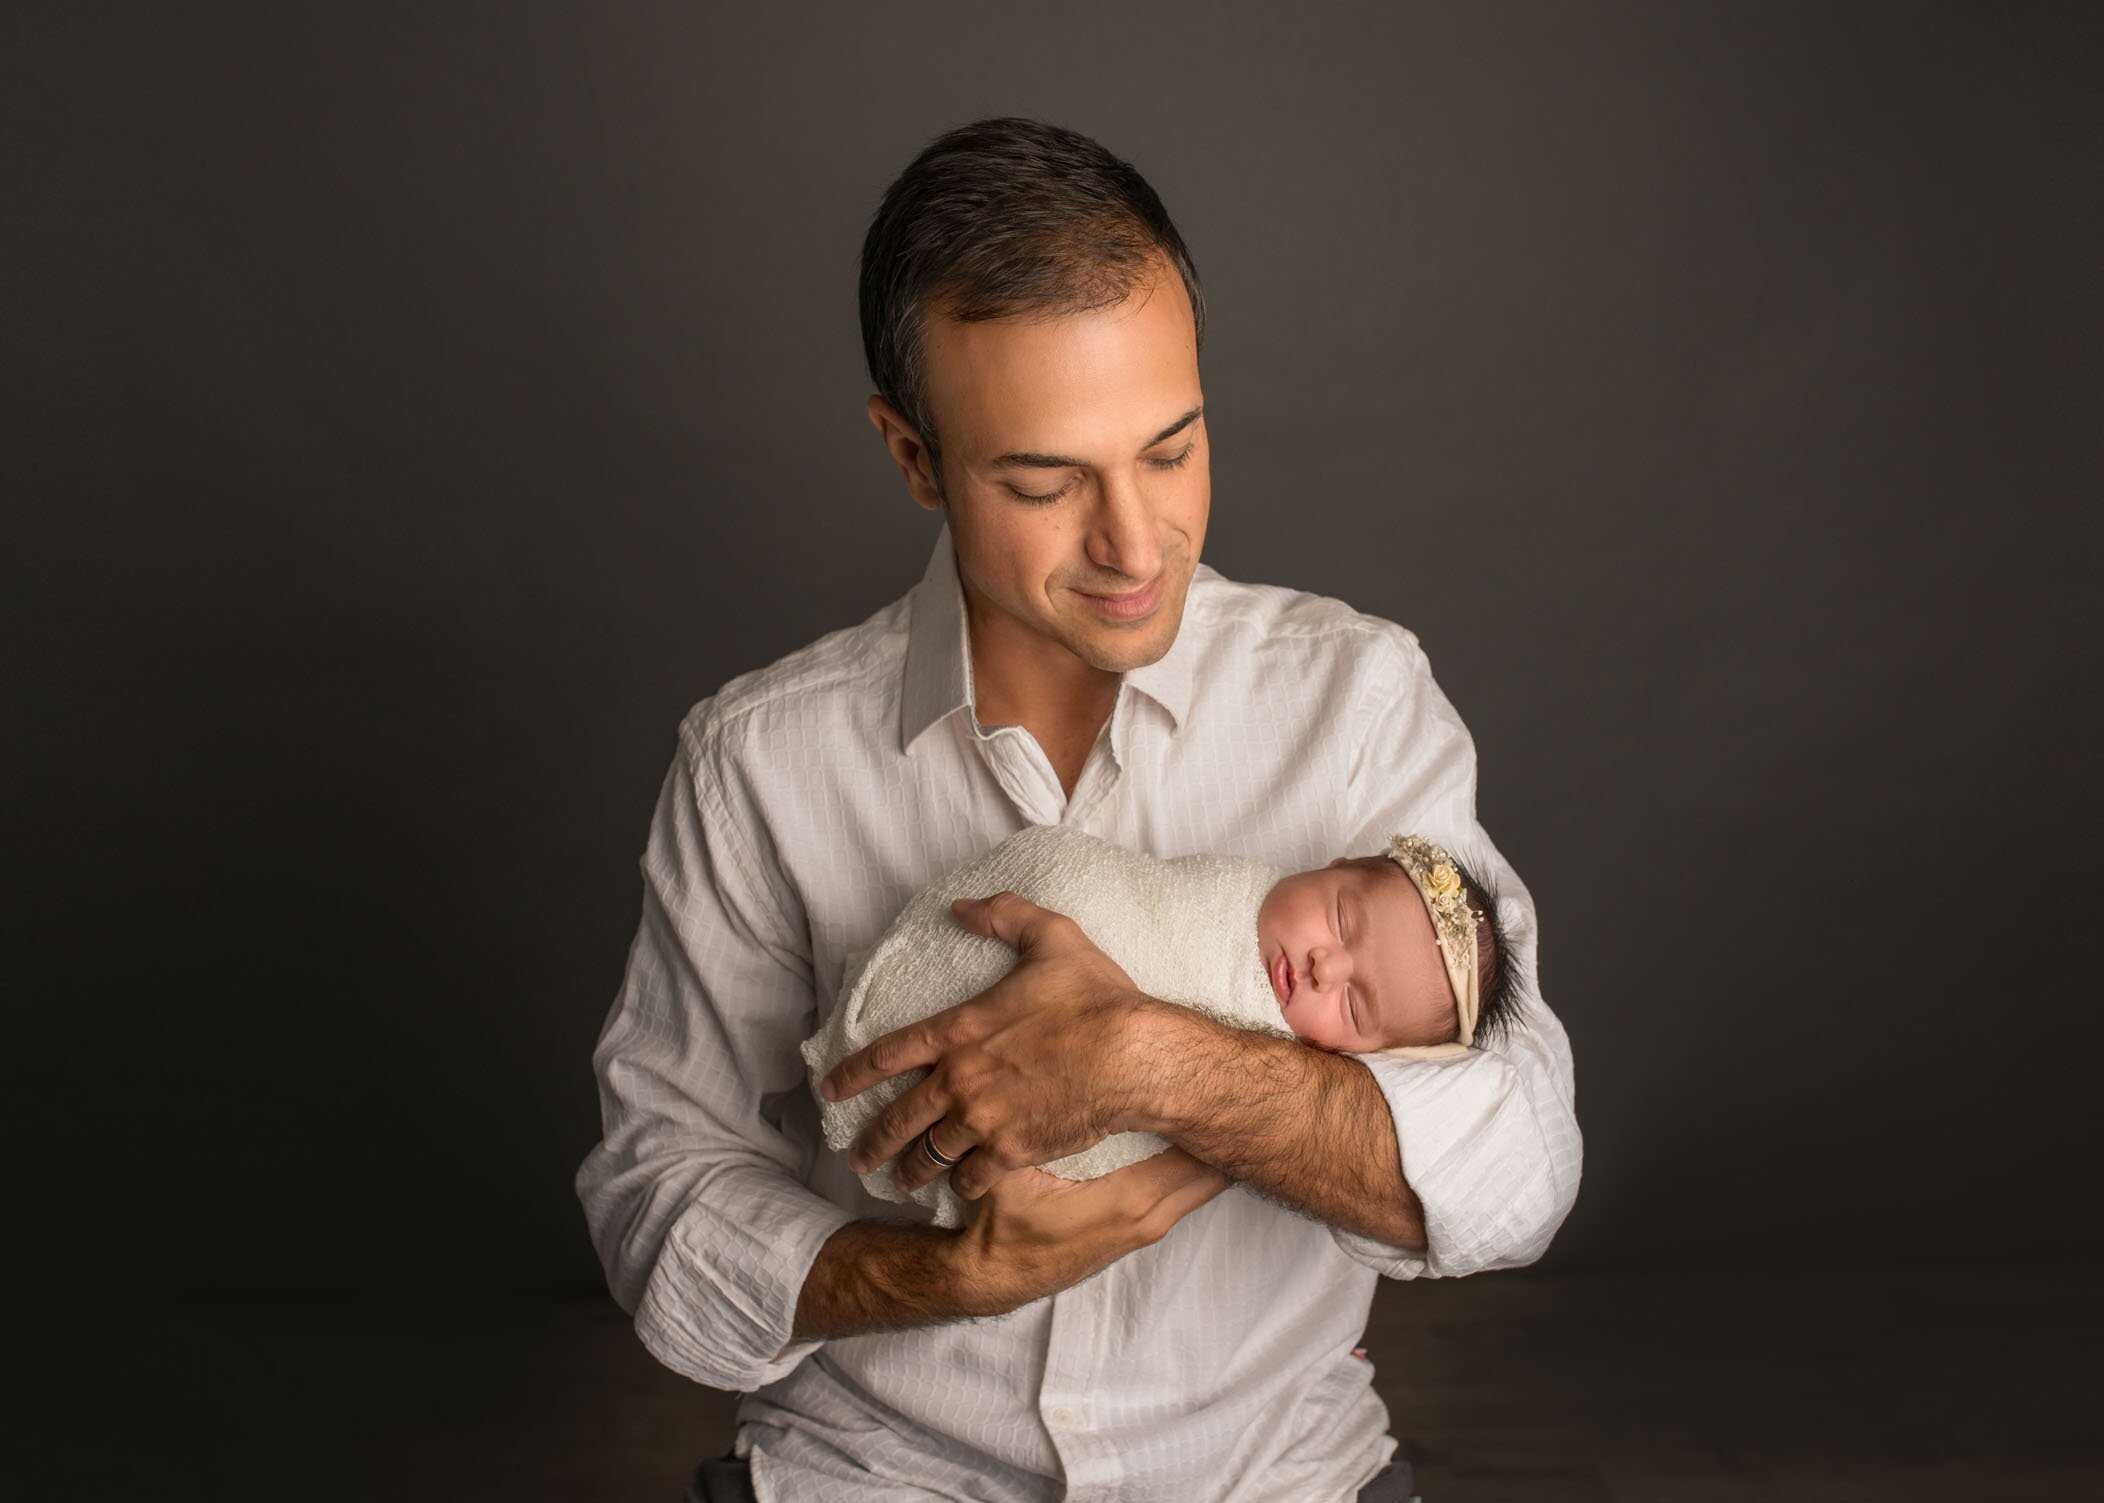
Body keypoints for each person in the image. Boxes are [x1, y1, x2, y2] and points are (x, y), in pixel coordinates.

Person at [575, 115, 1581, 1503]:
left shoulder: (1355, 699)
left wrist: (1146, 1066)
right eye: (1045, 481)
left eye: (1171, 451)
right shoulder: (761, 760)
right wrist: (939, 1274)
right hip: (874, 1474)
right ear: (915, 457)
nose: (1134, 543)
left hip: (1275, 1477)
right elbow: (656, 1186)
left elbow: (1522, 1156)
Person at [803, 825, 1516, 1226]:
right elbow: (1120, 897)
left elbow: (1512, 1185)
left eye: (1355, 1007)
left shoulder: (1269, 1058)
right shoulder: (1228, 884)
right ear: (1332, 865)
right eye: (1339, 919)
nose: (1325, 967)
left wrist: (1138, 1054)